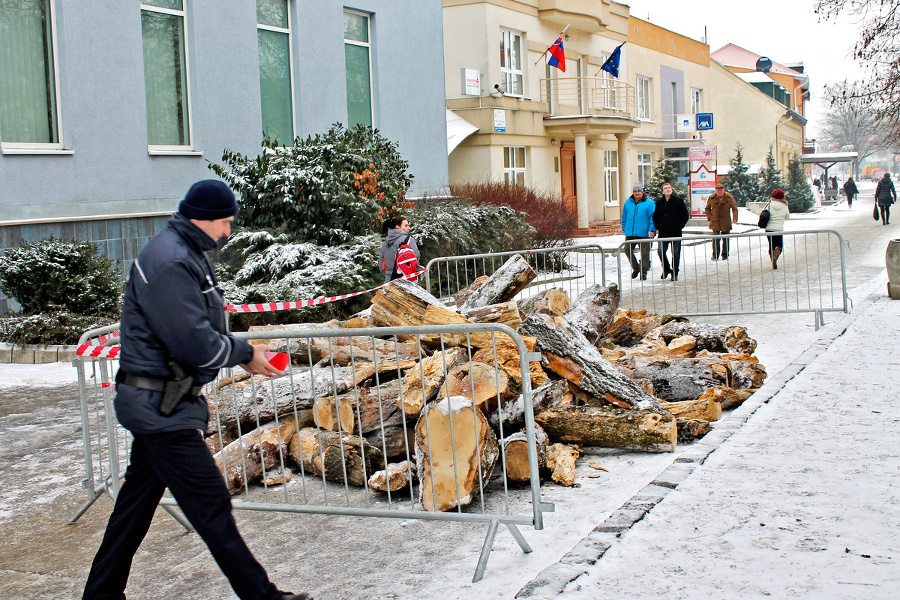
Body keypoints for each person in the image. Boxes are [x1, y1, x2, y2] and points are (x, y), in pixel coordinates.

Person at [82, 180, 311, 600]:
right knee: (212, 508)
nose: (227, 232)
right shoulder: (171, 261)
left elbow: (199, 332)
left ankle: (101, 594)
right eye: (225, 222)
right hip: (161, 408)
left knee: (134, 508)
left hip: (160, 402)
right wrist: (243, 352)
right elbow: (192, 341)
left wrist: (237, 351)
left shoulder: (185, 253)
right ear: (203, 218)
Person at [653, 182, 690, 281]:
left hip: (675, 232)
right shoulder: (659, 203)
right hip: (663, 233)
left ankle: (675, 272)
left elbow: (685, 215)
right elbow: (655, 216)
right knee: (661, 251)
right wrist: (658, 226)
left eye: (669, 187)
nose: (668, 189)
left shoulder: (678, 201)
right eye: (665, 188)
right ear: (663, 191)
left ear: (672, 189)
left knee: (676, 254)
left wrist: (680, 225)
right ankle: (666, 268)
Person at [621, 182, 656, 280]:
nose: (637, 193)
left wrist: (652, 230)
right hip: (631, 232)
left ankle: (644, 272)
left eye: (639, 191)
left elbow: (652, 218)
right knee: (627, 250)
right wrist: (624, 227)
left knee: (645, 253)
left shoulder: (650, 203)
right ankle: (636, 268)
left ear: (642, 192)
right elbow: (624, 215)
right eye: (635, 191)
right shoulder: (628, 202)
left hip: (644, 233)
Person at [378, 215, 420, 283]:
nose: (409, 228)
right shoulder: (408, 240)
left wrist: (388, 274)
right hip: (406, 280)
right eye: (406, 226)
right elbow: (415, 259)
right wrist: (417, 277)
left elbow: (381, 265)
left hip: (389, 282)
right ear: (398, 227)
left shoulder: (385, 243)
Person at [704, 183, 739, 260]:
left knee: (725, 239)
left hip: (725, 221)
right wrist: (709, 217)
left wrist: (735, 217)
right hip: (715, 221)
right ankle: (715, 255)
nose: (719, 192)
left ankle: (725, 255)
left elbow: (734, 208)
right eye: (718, 190)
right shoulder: (712, 198)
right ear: (716, 191)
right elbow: (707, 208)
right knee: (716, 239)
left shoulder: (729, 197)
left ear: (724, 190)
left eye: (721, 190)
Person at [765, 188, 790, 269]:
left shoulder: (769, 204)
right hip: (778, 229)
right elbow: (787, 217)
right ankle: (776, 256)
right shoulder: (785, 206)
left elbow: (763, 213)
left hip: (768, 228)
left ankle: (772, 258)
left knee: (771, 245)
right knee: (779, 245)